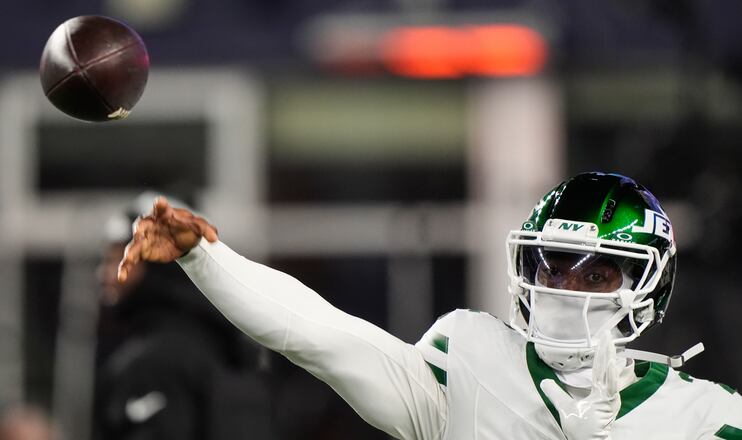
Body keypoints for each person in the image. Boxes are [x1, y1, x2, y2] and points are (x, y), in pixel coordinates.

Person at [118, 173, 742, 439]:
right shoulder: (471, 364)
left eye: (597, 272)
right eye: (552, 264)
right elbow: (318, 335)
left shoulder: (705, 419)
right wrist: (206, 259)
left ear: (646, 286)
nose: (565, 287)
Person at [93, 193, 275, 440]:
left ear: (157, 261)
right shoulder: (240, 354)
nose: (104, 274)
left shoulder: (152, 364)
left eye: (118, 257)